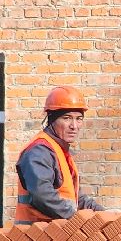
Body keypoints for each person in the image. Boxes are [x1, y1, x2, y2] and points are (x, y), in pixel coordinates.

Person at [14, 86, 103, 224]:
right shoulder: (39, 151)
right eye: (67, 118)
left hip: (59, 237)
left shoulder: (60, 151)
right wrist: (79, 220)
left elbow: (76, 199)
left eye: (79, 119)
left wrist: (106, 216)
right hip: (36, 237)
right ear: (51, 120)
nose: (74, 126)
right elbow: (43, 196)